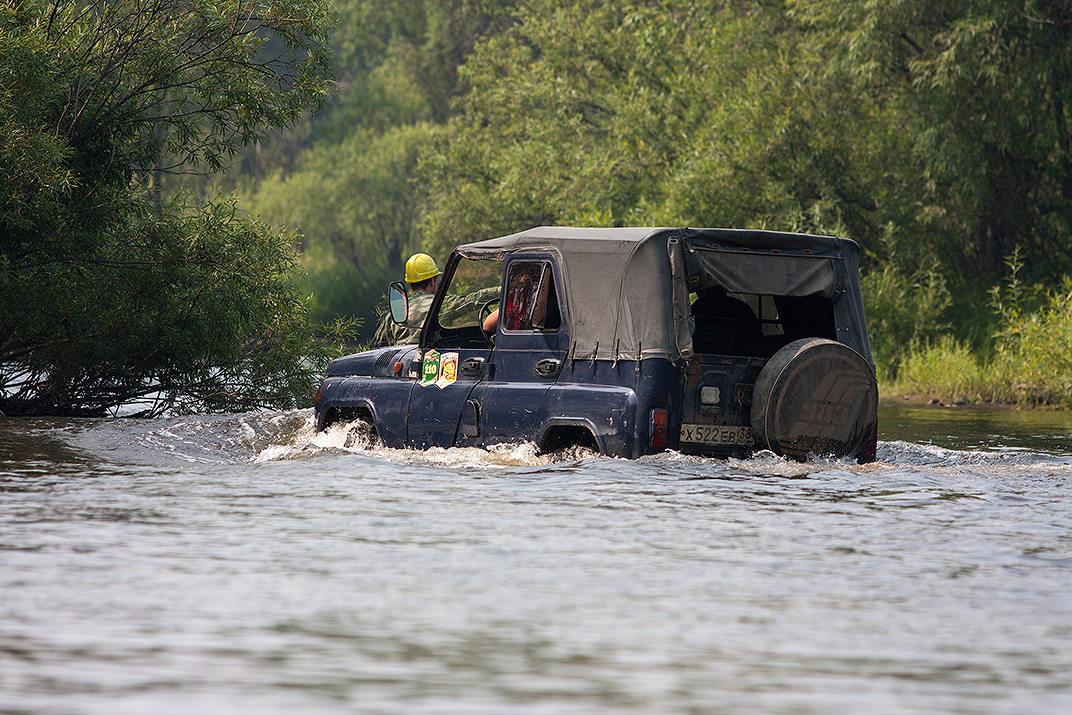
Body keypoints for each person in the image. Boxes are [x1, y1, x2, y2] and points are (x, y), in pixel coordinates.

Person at [373, 253, 441, 346]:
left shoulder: (395, 312)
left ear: (409, 283)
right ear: (433, 281)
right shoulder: (440, 305)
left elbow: (375, 346)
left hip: (402, 354)